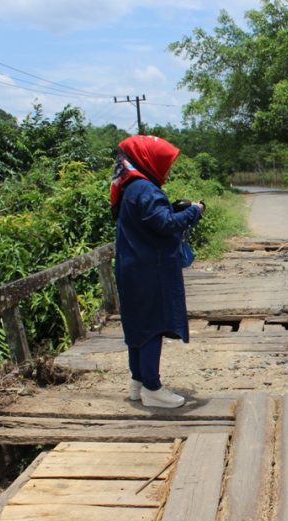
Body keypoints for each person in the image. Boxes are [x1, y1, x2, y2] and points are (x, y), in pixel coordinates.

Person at [110, 135, 204, 407]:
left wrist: (173, 210)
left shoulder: (129, 186)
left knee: (138, 326)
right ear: (150, 161)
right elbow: (164, 224)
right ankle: (153, 388)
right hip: (149, 269)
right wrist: (194, 212)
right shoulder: (146, 190)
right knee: (153, 327)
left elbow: (150, 220)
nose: (168, 169)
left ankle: (137, 382)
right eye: (165, 164)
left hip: (131, 267)